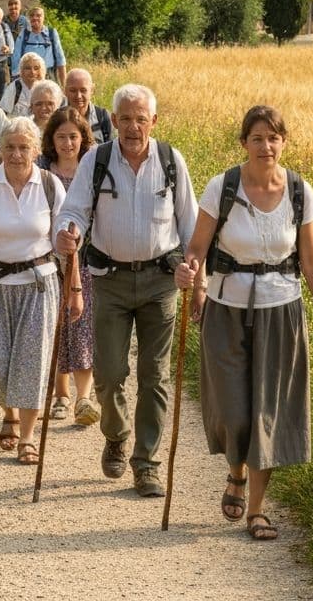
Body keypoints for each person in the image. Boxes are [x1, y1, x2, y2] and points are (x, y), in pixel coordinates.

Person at [174, 105, 313, 542]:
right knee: (233, 409)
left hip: (281, 309)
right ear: (244, 143)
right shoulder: (223, 186)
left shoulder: (299, 191)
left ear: (283, 142)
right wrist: (190, 273)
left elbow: (311, 260)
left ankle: (257, 510)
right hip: (226, 307)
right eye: (258, 138)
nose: (266, 146)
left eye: (273, 138)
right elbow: (197, 247)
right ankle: (236, 472)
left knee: (269, 411)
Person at [56, 84, 197, 498]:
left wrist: (196, 274)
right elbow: (73, 210)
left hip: (160, 282)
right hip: (110, 280)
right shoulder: (97, 160)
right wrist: (67, 233)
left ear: (154, 122)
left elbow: (190, 224)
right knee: (109, 373)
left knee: (155, 376)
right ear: (114, 120)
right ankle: (116, 435)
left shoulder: (170, 160)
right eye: (127, 119)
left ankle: (146, 463)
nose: (134, 127)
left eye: (142, 119)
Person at [0, 117, 76, 465]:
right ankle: (10, 412)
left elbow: (66, 242)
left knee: (32, 363)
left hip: (39, 285)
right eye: (10, 147)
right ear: (0, 149)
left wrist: (75, 288)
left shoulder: (50, 185)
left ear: (36, 151)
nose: (17, 154)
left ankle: (27, 436)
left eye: (24, 147)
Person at [38, 107, 99, 427]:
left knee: (83, 328)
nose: (67, 143)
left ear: (83, 138)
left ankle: (83, 397)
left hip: (87, 260)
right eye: (61, 137)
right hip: (49, 262)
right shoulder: (42, 171)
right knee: (56, 328)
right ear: (51, 140)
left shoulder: (93, 170)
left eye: (73, 136)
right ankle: (60, 395)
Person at [10, 6, 66, 87]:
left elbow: (60, 58)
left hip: (48, 76)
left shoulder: (51, 33)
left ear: (43, 18)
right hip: (29, 76)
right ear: (29, 18)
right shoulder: (24, 34)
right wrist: (16, 78)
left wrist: (64, 85)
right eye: (32, 15)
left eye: (38, 15)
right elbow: (16, 56)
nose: (35, 18)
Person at [63, 68, 113, 144]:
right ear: (65, 91)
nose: (78, 96)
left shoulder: (102, 116)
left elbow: (111, 147)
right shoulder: (58, 117)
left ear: (92, 90)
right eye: (73, 90)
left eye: (83, 90)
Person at [0, 51, 45, 117]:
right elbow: (2, 113)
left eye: (36, 68)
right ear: (21, 70)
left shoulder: (45, 88)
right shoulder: (15, 87)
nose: (32, 72)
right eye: (28, 68)